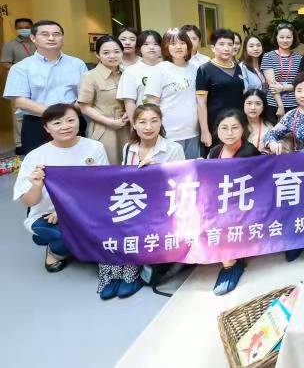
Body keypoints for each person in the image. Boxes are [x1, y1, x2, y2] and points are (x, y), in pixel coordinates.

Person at [99, 104, 185, 300]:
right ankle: (113, 275)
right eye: (142, 122)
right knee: (109, 223)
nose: (148, 127)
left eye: (154, 121)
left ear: (161, 123)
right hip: (134, 202)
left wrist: (158, 170)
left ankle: (130, 274)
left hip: (161, 207)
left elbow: (180, 184)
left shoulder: (173, 149)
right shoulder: (129, 148)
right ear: (135, 125)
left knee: (134, 226)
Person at [13, 104, 108, 273]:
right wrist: (37, 185)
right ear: (46, 128)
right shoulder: (35, 156)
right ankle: (55, 251)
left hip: (86, 210)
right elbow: (28, 201)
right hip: (47, 215)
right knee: (67, 235)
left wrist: (66, 211)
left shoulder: (95, 147)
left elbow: (101, 188)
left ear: (79, 121)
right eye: (57, 123)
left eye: (70, 120)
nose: (65, 126)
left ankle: (63, 241)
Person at [3, 20, 88, 154]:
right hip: (37, 124)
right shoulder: (20, 67)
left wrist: (68, 115)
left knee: (77, 160)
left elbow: (85, 95)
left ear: (62, 38)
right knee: (40, 164)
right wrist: (58, 115)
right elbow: (20, 101)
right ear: (33, 38)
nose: (51, 38)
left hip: (73, 122)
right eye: (45, 34)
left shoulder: (78, 64)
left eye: (56, 34)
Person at [207, 109, 262, 295]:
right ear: (217, 130)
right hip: (222, 202)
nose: (229, 133)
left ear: (243, 129)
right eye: (224, 128)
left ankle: (230, 264)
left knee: (223, 220)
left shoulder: (248, 152)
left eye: (235, 128)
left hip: (246, 204)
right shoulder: (215, 151)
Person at [143, 27, 201, 159]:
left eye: (182, 43)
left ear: (188, 45)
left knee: (192, 170)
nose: (178, 47)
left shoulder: (196, 69)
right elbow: (152, 105)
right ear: (166, 47)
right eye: (173, 43)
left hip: (193, 132)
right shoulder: (159, 70)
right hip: (168, 134)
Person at [77, 35, 129, 164]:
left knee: (128, 164)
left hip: (127, 127)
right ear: (98, 55)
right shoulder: (90, 76)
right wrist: (110, 122)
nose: (112, 56)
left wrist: (130, 112)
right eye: (106, 53)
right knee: (107, 165)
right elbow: (84, 107)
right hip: (104, 128)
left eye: (117, 51)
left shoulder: (128, 73)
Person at [196, 29, 246, 149]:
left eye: (230, 44)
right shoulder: (204, 70)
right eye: (222, 44)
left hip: (237, 124)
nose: (226, 48)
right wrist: (205, 131)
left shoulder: (238, 68)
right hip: (216, 126)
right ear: (213, 48)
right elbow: (201, 103)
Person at [1, 17, 36, 153]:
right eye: (20, 27)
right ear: (16, 29)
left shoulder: (38, 42)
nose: (24, 29)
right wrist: (21, 69)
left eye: (27, 27)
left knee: (37, 110)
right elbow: (5, 63)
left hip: (37, 81)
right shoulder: (10, 45)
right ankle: (19, 143)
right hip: (19, 82)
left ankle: (37, 139)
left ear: (32, 27)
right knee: (19, 114)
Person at [117, 30, 163, 124]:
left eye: (156, 44)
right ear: (139, 48)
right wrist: (135, 125)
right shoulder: (131, 71)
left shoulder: (168, 67)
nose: (151, 47)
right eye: (146, 44)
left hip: (171, 123)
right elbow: (129, 102)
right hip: (145, 124)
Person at [262, 23, 302, 121]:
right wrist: (280, 106)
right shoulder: (268, 56)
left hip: (295, 104)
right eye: (282, 37)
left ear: (293, 38)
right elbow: (272, 85)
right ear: (276, 38)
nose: (285, 40)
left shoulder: (299, 58)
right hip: (274, 104)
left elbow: (300, 84)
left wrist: (283, 88)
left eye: (288, 37)